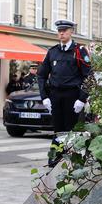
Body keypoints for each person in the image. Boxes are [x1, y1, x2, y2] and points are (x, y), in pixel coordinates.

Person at [36, 19, 93, 167]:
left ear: (71, 31)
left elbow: (89, 76)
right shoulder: (52, 52)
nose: (61, 33)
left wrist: (82, 98)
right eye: (59, 30)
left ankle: (73, 161)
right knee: (57, 130)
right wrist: (44, 97)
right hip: (55, 96)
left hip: (73, 96)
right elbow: (41, 75)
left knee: (72, 130)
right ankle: (54, 160)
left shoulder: (79, 51)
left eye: (65, 30)